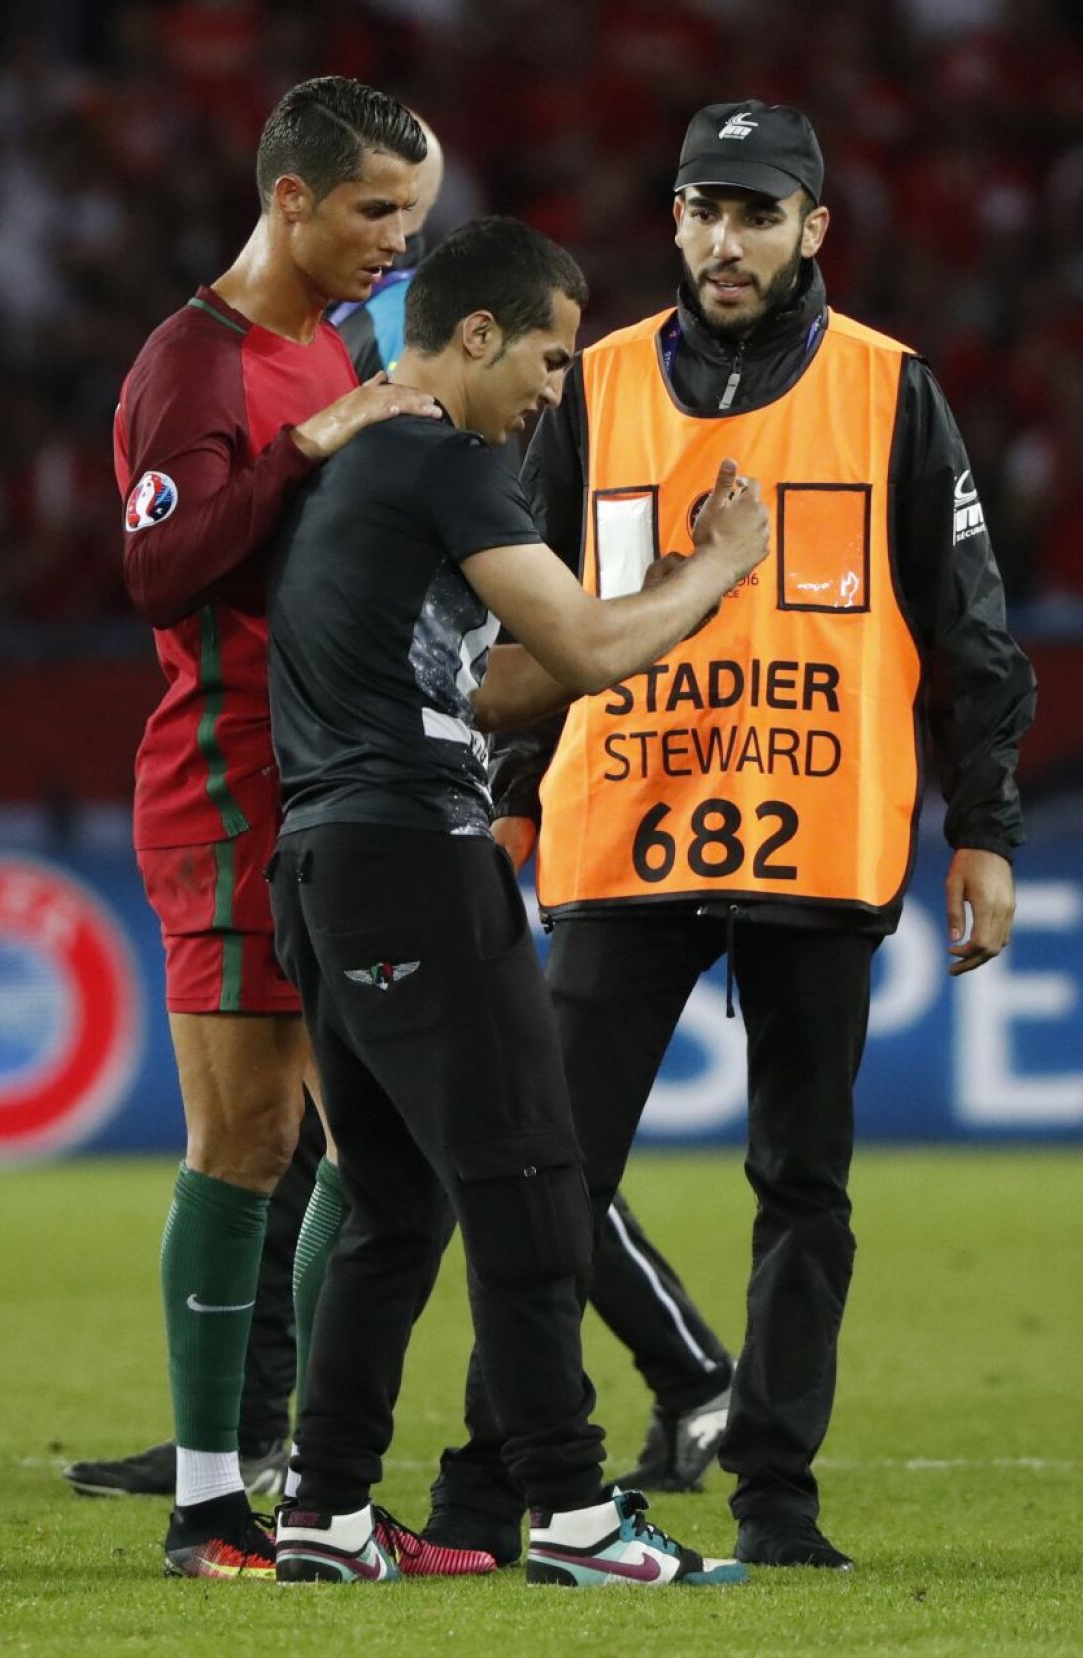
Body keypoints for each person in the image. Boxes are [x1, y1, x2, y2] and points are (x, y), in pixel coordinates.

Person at [470, 100, 1037, 1571]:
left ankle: (775, 1497)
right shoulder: (591, 387)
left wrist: (987, 830)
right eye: (704, 210)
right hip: (621, 827)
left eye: (758, 214)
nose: (727, 241)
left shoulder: (890, 390)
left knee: (804, 1187)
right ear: (673, 217)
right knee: (550, 1182)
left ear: (812, 228)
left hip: (817, 839)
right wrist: (509, 797)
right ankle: (490, 1485)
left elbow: (972, 633)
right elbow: (517, 617)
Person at [265, 214, 770, 1587]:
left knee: (392, 1209)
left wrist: (663, 595)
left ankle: (324, 1512)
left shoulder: (359, 471)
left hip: (325, 868)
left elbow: (491, 688)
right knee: (533, 1181)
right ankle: (575, 1514)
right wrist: (722, 564)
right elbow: (590, 647)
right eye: (548, 357)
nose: (556, 388)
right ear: (476, 334)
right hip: (417, 861)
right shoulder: (444, 462)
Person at [114, 75, 445, 1582]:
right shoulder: (195, 362)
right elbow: (161, 570)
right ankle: (207, 1509)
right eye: (377, 209)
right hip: (229, 782)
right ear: (290, 197)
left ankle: (323, 1493)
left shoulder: (329, 342)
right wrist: (321, 441)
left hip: (332, 775)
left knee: (353, 1142)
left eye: (414, 215)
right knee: (246, 1140)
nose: (397, 241)